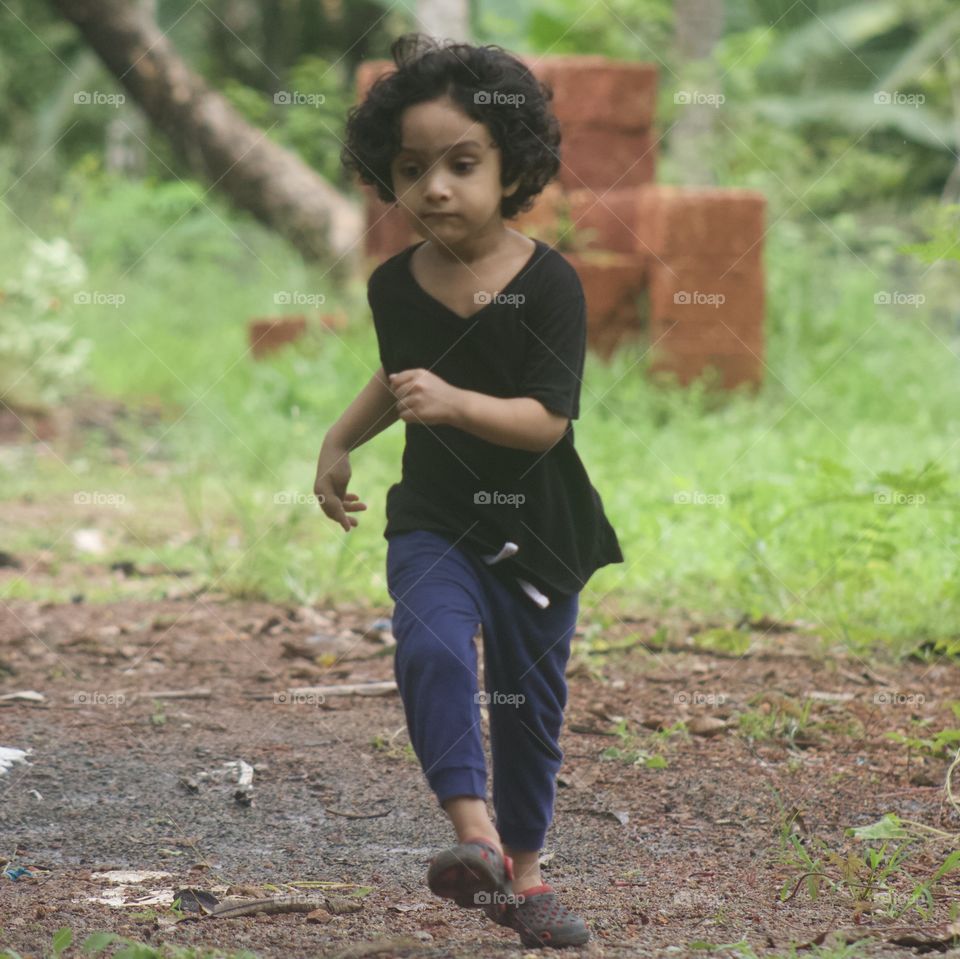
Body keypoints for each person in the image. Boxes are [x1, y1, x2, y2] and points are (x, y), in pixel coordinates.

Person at [314, 32, 624, 949]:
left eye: (461, 163)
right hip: (435, 519)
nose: (435, 188)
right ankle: (474, 840)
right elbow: (395, 375)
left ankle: (522, 881)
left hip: (542, 527)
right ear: (387, 175)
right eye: (411, 168)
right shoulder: (394, 285)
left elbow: (546, 422)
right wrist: (339, 439)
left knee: (529, 711)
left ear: (511, 165)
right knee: (433, 649)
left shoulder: (550, 283)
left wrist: (452, 403)